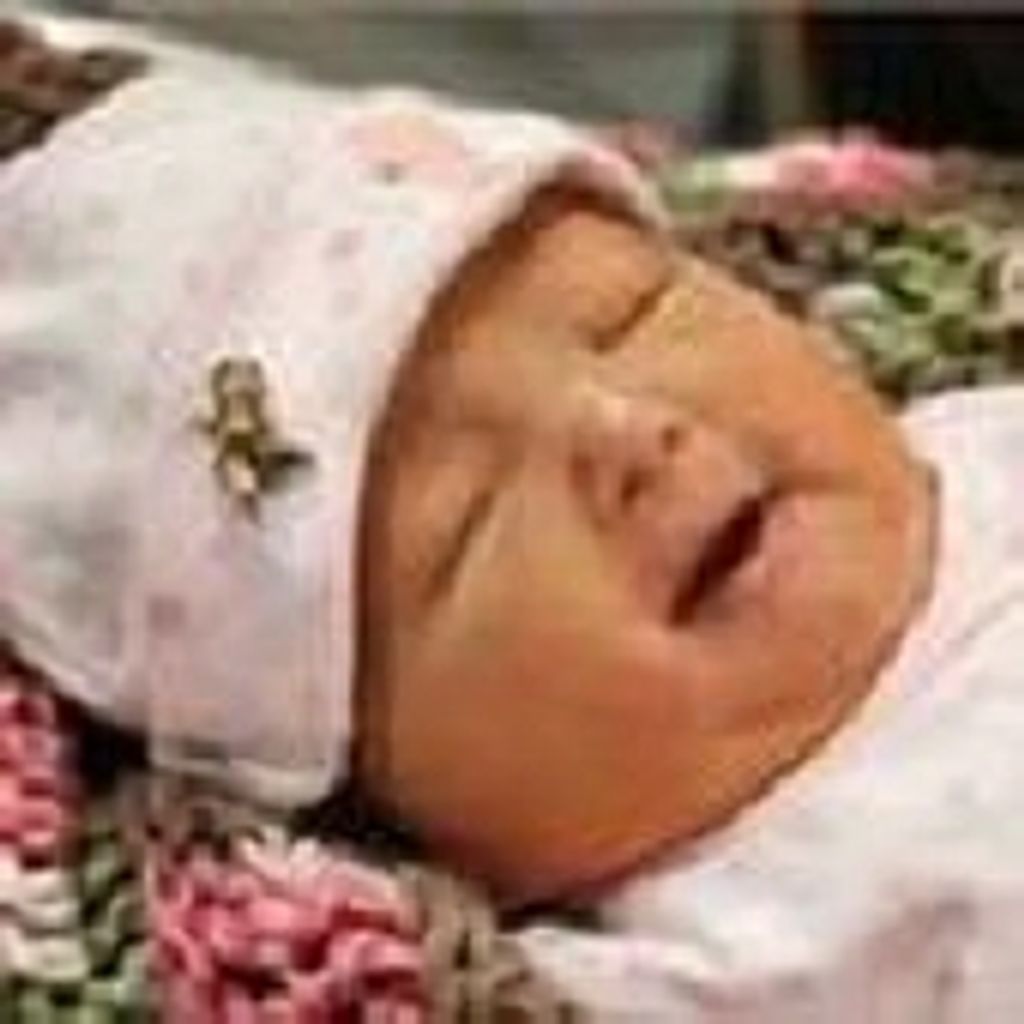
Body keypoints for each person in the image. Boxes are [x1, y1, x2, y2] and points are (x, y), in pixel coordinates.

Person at [2, 14, 1023, 1021]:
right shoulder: (704, 959)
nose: (629, 433)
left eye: (630, 314)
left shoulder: (984, 409)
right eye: (471, 524)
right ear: (409, 820)